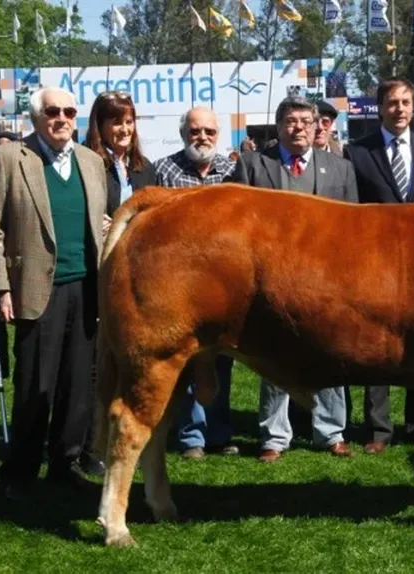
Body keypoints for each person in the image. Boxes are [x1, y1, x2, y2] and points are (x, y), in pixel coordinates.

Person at [0, 87, 110, 500]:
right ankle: (19, 470)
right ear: (36, 118)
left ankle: (64, 462)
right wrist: (1, 285)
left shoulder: (92, 162)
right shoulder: (9, 158)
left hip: (86, 287)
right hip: (35, 290)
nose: (61, 118)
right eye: (52, 111)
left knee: (77, 387)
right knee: (36, 384)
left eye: (69, 111)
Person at [231, 96, 358, 462]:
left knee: (331, 352)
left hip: (328, 279)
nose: (298, 127)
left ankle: (331, 431)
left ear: (318, 125)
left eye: (305, 120)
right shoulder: (254, 165)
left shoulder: (340, 169)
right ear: (279, 125)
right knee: (275, 355)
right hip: (272, 279)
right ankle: (274, 436)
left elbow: (353, 227)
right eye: (290, 120)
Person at [343, 77, 414, 455]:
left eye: (406, 102)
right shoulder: (356, 153)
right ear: (379, 108)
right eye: (392, 103)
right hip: (375, 262)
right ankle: (379, 429)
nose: (400, 109)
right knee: (377, 344)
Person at [153, 106, 240, 460]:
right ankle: (192, 437)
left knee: (223, 360)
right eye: (194, 131)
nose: (202, 137)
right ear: (183, 134)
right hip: (182, 283)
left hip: (225, 282)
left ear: (218, 135)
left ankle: (220, 433)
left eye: (209, 131)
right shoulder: (165, 170)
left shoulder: (234, 170)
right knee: (187, 359)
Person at [85, 91, 155, 217]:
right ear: (100, 126)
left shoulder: (145, 168)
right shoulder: (85, 164)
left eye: (129, 122)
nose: (125, 130)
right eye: (117, 123)